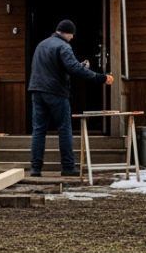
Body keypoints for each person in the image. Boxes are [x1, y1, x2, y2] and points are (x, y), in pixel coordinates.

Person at [28, 19, 114, 177]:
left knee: (39, 131)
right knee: (64, 129)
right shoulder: (63, 46)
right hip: (56, 93)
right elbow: (74, 68)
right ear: (66, 33)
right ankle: (68, 167)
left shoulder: (41, 45)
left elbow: (52, 68)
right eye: (72, 35)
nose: (72, 38)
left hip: (37, 91)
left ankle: (35, 168)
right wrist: (101, 78)